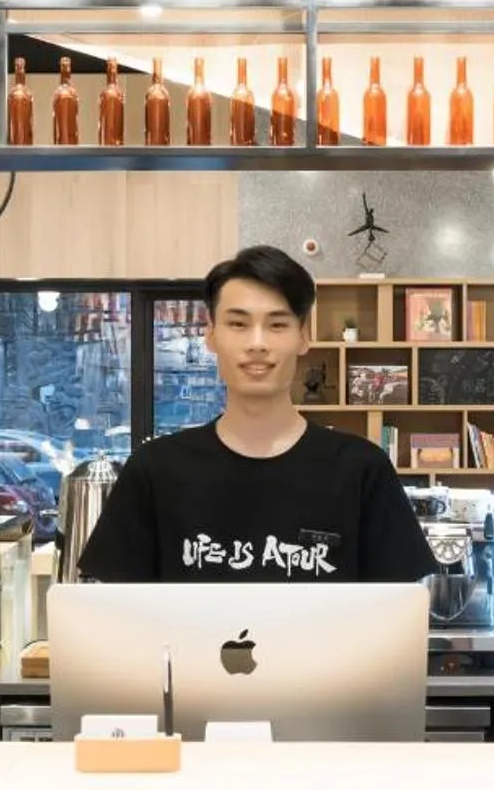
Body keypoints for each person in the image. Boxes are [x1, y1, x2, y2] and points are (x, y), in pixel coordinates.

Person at [76, 245, 439, 584]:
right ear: (211, 336)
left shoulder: (362, 470)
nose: (257, 343)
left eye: (277, 324)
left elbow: (397, 619)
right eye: (238, 324)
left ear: (303, 337)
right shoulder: (153, 470)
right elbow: (115, 621)